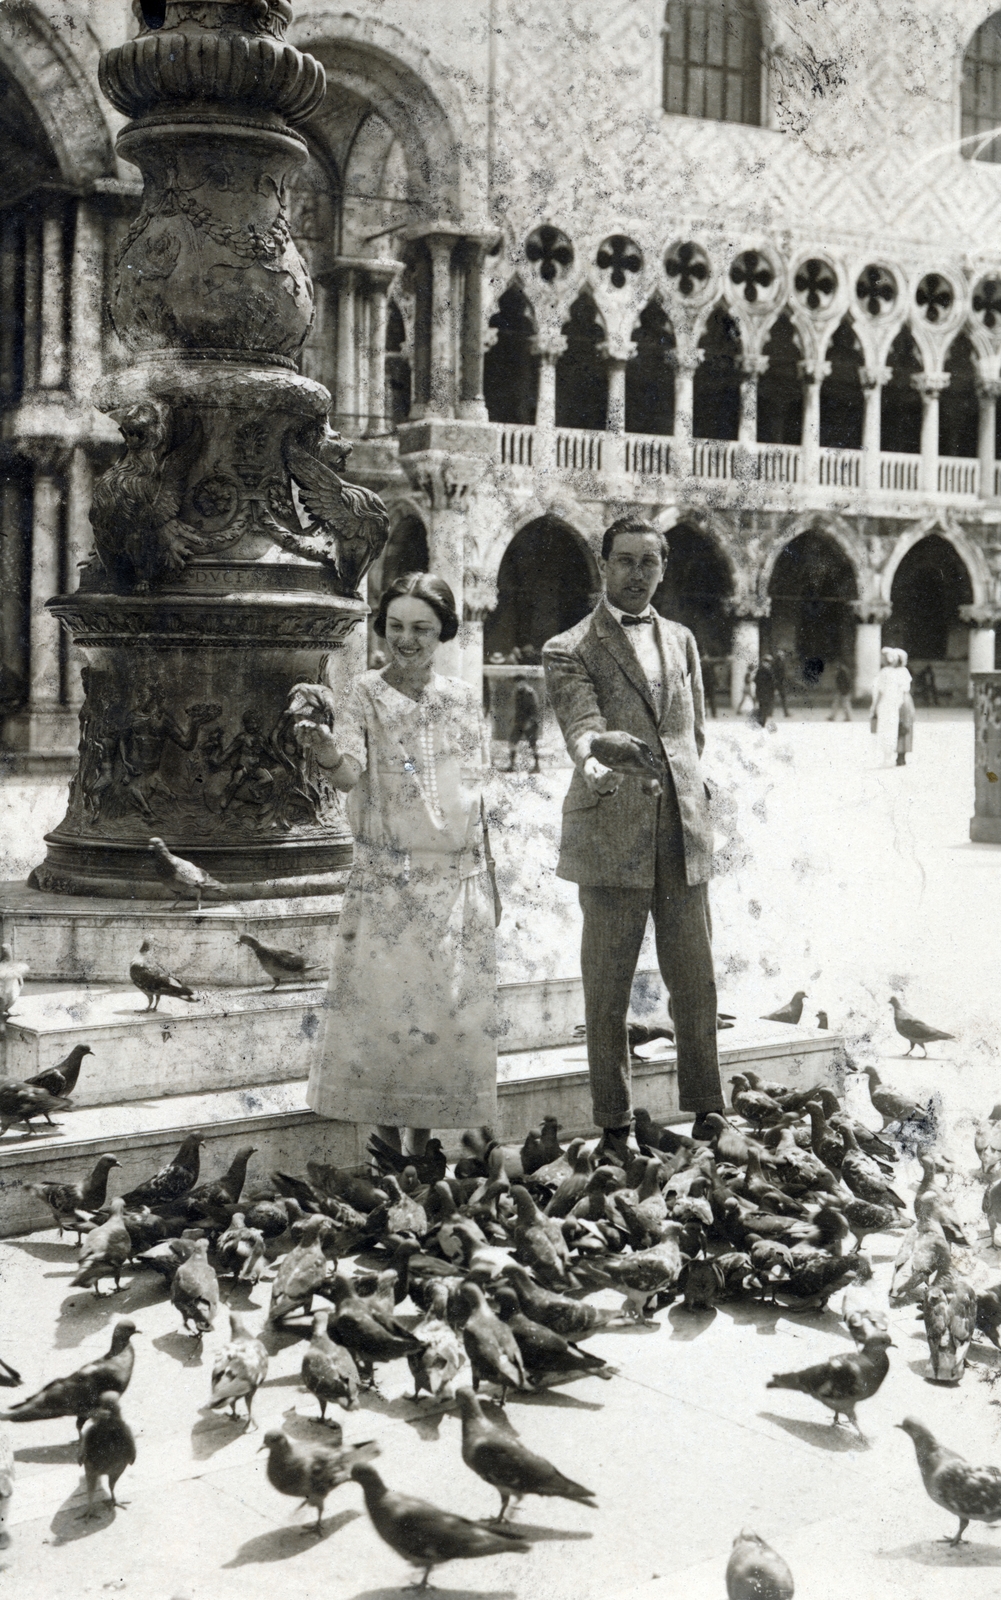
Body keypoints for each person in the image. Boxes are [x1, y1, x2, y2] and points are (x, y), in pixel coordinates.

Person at [296, 571, 498, 1158]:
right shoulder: (362, 692)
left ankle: (425, 1150)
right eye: (396, 627)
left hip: (455, 884)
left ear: (444, 634)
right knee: (386, 1019)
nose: (407, 640)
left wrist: (489, 882)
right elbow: (350, 770)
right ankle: (387, 1157)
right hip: (388, 883)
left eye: (423, 629)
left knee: (442, 1016)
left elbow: (477, 795)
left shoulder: (461, 698)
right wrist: (327, 751)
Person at [542, 515, 724, 1160]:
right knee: (608, 984)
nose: (638, 574)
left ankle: (707, 1109)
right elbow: (580, 725)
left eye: (650, 562)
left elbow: (693, 735)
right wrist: (597, 751)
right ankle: (615, 1121)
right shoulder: (570, 647)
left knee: (696, 980)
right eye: (625, 561)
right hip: (611, 830)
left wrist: (690, 794)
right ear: (603, 565)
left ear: (664, 568)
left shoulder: (682, 639)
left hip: (682, 828)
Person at [871, 646, 910, 768]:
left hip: (886, 704)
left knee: (885, 729)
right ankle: (893, 756)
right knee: (893, 730)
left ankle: (887, 757)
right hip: (896, 704)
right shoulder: (900, 672)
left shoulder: (885, 672)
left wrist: (874, 707)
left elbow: (880, 692)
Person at [507, 674, 541, 772]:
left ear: (524, 682)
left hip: (530, 723)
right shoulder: (517, 692)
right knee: (512, 742)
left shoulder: (530, 693)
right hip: (519, 722)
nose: (519, 685)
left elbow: (535, 709)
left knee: (533, 744)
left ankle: (537, 766)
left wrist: (530, 722)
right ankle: (511, 765)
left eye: (521, 682)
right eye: (517, 683)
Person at [895, 648, 915, 766]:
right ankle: (900, 754)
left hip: (901, 700)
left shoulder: (901, 672)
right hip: (903, 699)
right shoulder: (902, 671)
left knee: (903, 726)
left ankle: (901, 754)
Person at [754, 655, 776, 729]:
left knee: (763, 707)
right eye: (767, 662)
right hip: (765, 692)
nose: (768, 664)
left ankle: (761, 722)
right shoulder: (764, 671)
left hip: (763, 692)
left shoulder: (763, 670)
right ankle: (762, 722)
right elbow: (770, 682)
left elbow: (756, 680)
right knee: (764, 707)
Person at [772, 649, 790, 717]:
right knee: (782, 697)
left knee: (781, 697)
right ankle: (785, 713)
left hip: (779, 682)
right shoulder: (779, 662)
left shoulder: (780, 661)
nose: (783, 655)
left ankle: (785, 712)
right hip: (779, 682)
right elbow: (779, 673)